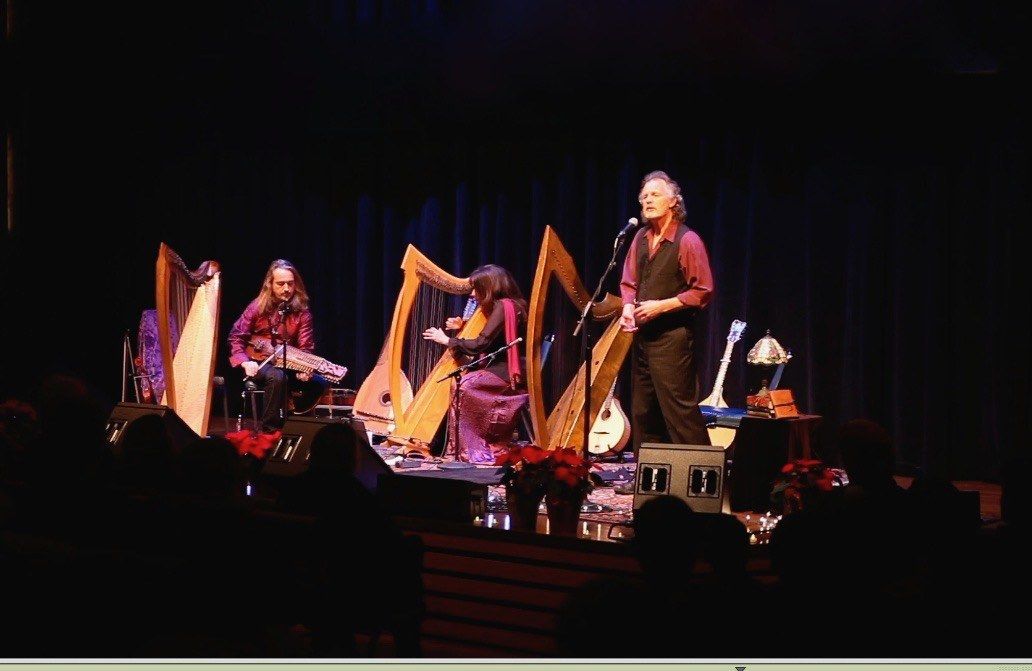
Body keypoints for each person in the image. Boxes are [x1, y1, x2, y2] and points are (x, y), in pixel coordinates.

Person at [619, 170, 714, 453]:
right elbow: (628, 281)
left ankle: (703, 477)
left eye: (655, 195)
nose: (647, 201)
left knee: (678, 410)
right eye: (644, 196)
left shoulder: (687, 240)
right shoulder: (639, 238)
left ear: (674, 201)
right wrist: (627, 306)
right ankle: (649, 477)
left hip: (673, 338)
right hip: (643, 338)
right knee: (643, 411)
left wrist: (661, 306)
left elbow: (703, 291)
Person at [422, 264, 528, 463]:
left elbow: (482, 343)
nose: (472, 294)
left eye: (476, 288)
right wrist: (462, 327)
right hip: (500, 368)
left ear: (490, 287)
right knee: (462, 381)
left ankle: (471, 448)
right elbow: (496, 337)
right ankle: (463, 444)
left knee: (463, 385)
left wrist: (447, 340)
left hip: (506, 371)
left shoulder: (504, 307)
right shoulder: (512, 304)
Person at [228, 259, 328, 432]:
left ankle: (297, 425)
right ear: (270, 285)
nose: (287, 289)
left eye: (290, 284)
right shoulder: (256, 307)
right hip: (259, 362)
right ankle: (270, 431)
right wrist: (245, 362)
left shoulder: (302, 313)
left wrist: (305, 368)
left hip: (289, 363)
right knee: (277, 376)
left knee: (320, 383)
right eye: (281, 284)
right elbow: (236, 337)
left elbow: (306, 347)